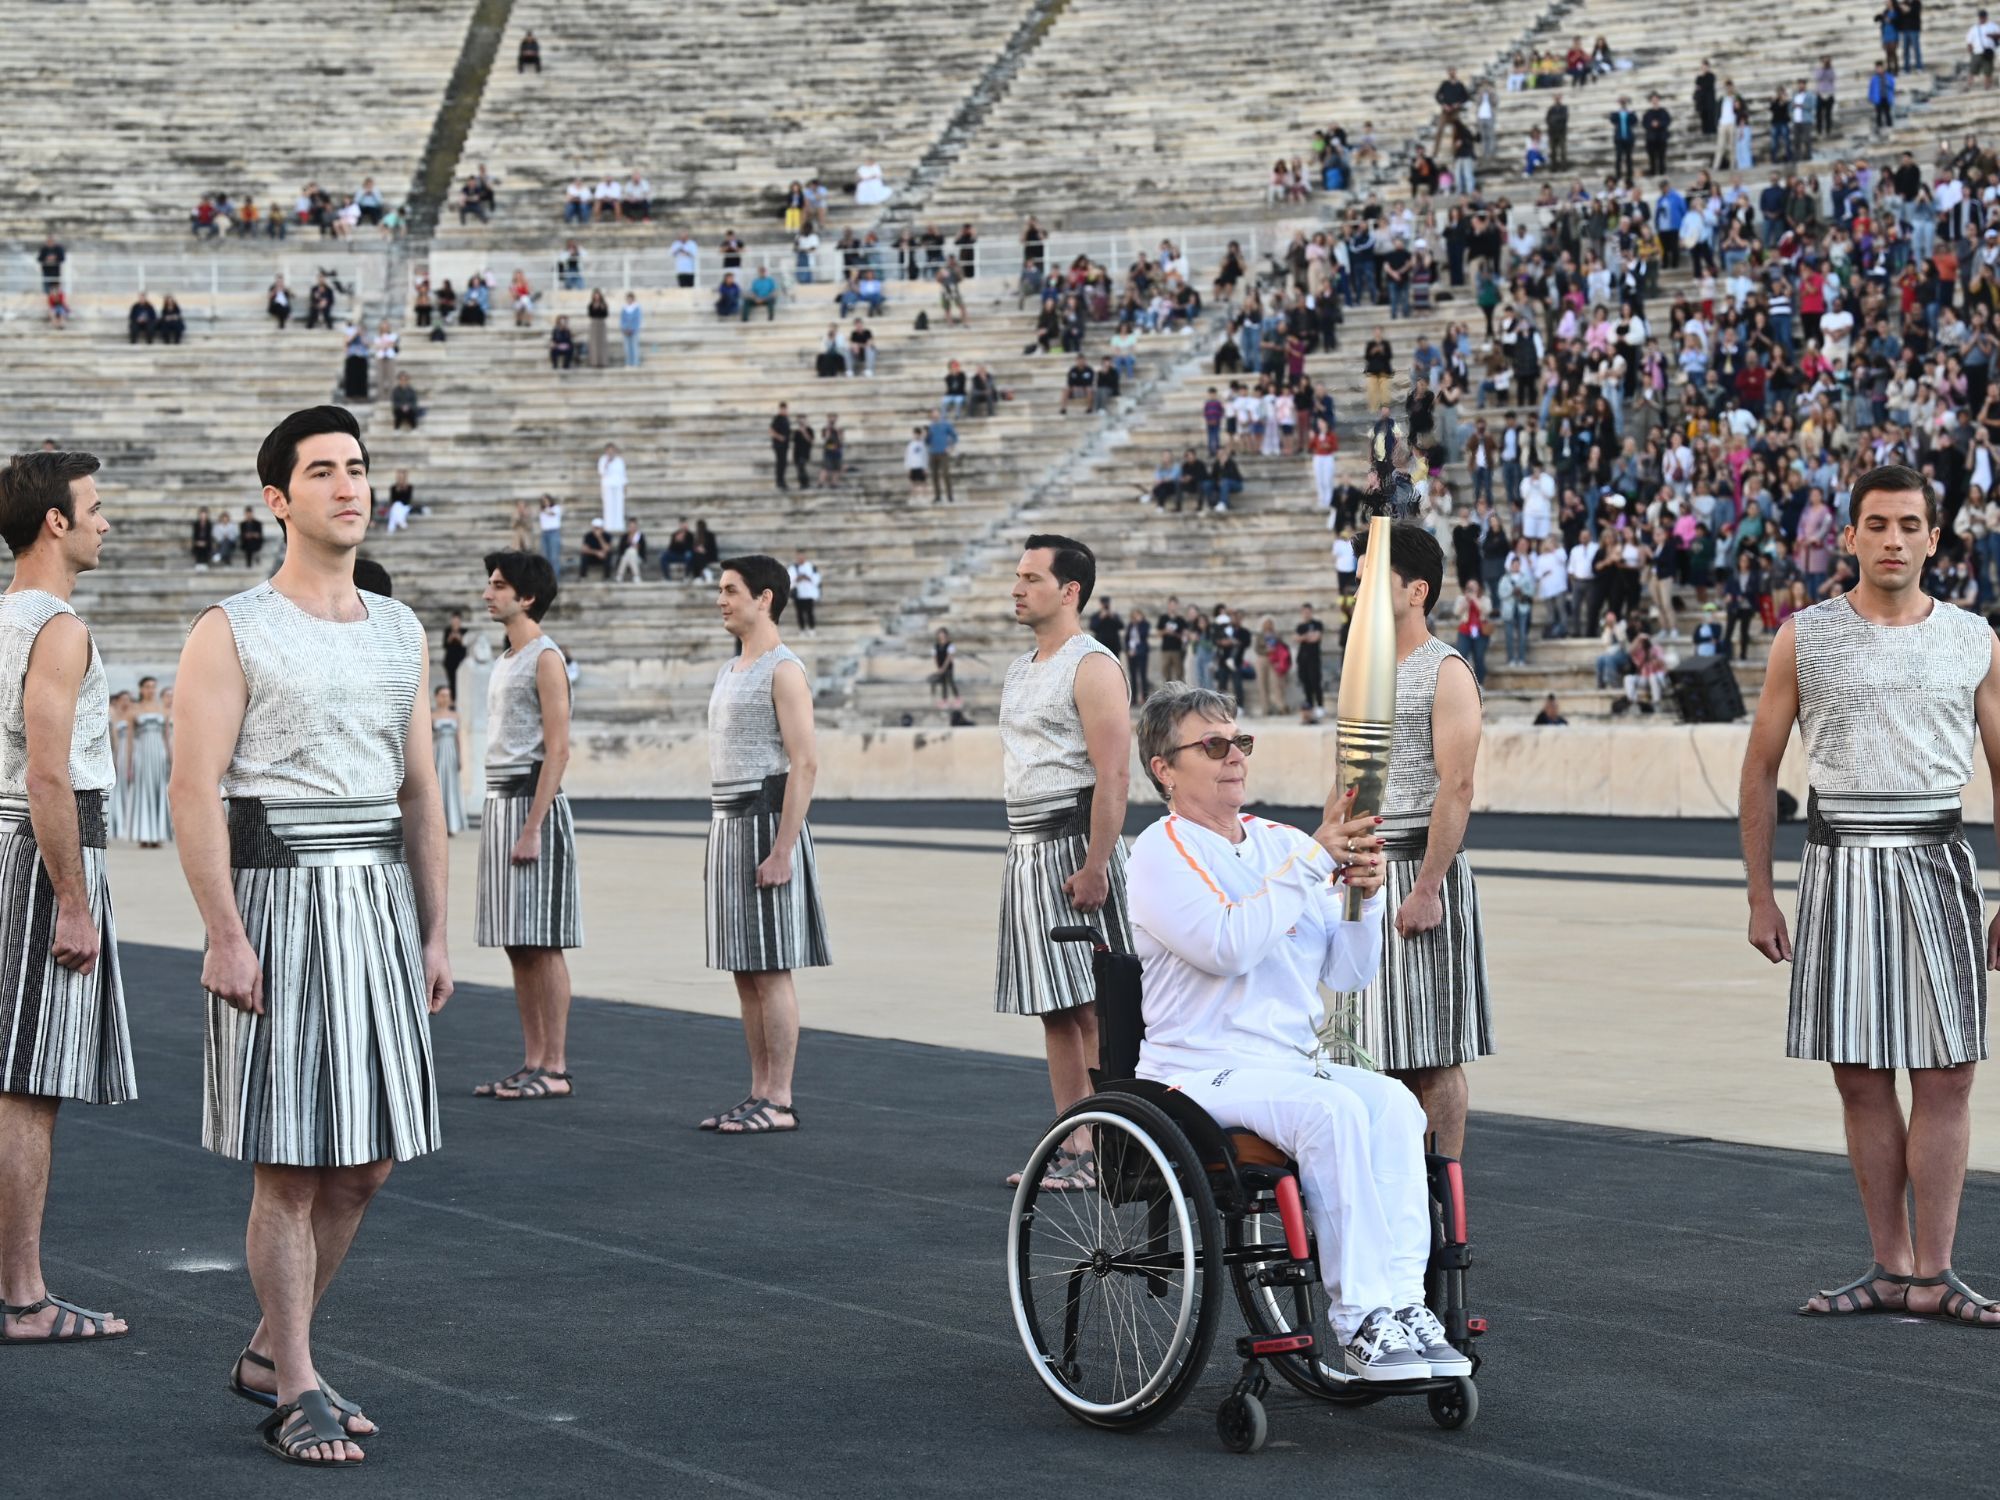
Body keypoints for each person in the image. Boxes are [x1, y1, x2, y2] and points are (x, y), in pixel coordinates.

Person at [167, 405, 450, 1467]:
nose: (347, 484)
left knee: (368, 1162)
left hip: (377, 903)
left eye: (358, 467)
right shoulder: (230, 626)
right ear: (278, 500)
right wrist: (223, 931)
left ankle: (266, 1348)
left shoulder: (400, 628)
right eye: (321, 470)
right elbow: (195, 791)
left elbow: (420, 791)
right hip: (278, 903)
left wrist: (432, 929)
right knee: (287, 1165)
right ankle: (295, 1382)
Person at [1128, 682, 1469, 1381]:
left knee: (1396, 1105)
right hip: (1197, 1071)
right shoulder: (1160, 852)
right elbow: (1225, 945)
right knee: (1333, 1110)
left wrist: (1363, 901)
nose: (1234, 757)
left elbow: (1344, 973)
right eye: (1213, 745)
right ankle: (1360, 1320)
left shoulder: (1280, 843)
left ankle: (1405, 1303)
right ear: (1164, 767)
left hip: (1283, 1063)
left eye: (1240, 742)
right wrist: (1316, 862)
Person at [1742, 465, 2000, 1327]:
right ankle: (1890, 1267)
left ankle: (1936, 1271)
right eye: (1878, 524)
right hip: (1840, 863)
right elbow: (1759, 771)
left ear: (1936, 538)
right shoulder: (1804, 637)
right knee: (1858, 1077)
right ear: (1848, 536)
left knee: (1948, 1073)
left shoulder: (1974, 638)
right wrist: (1760, 896)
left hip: (1937, 862)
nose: (1894, 540)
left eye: (1910, 525)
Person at [0, 450, 135, 1347]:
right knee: (28, 1084)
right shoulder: (56, 627)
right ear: (56, 521)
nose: (104, 521)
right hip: (38, 853)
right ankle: (23, 1296)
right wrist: (74, 903)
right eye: (94, 506)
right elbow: (50, 775)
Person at [1340, 526, 1494, 1158]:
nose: (1357, 591)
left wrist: (1429, 887)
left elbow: (1456, 787)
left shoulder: (1446, 670)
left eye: (1372, 578)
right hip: (1365, 871)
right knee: (1372, 1052)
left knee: (1433, 1053)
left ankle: (1443, 1202)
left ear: (1416, 591)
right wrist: (1332, 857)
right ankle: (1391, 1195)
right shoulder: (1361, 668)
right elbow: (1345, 777)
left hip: (1421, 871)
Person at [996, 537, 1132, 1190]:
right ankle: (1072, 1140)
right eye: (1017, 576)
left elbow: (1113, 775)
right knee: (1053, 1007)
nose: (1017, 588)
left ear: (1069, 590)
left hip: (1074, 847)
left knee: (1092, 1007)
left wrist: (1098, 862)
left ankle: (1113, 1142)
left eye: (1031, 577)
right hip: (1025, 849)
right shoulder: (1022, 666)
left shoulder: (1094, 666)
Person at [696, 557, 828, 1135]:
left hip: (765, 825)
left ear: (765, 598)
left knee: (771, 970)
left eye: (731, 591)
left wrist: (783, 849)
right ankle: (757, 1090)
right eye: (721, 590)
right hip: (728, 825)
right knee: (744, 971)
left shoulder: (784, 670)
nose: (721, 599)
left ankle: (780, 1097)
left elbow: (805, 763)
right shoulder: (731, 668)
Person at [472, 551, 583, 1101]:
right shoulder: (507, 656)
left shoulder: (544, 658)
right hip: (499, 803)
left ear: (527, 596)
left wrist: (534, 825)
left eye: (498, 586)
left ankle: (556, 1066)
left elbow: (558, 750)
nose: (488, 594)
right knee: (517, 943)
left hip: (531, 805)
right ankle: (533, 1058)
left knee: (543, 940)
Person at [125, 676, 171, 848]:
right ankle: (143, 834)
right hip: (143, 753)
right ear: (141, 689)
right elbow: (130, 739)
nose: (151, 690)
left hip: (158, 753)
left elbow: (166, 737)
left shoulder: (162, 709)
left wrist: (170, 758)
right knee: (143, 790)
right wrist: (129, 764)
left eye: (153, 686)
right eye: (148, 687)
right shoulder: (134, 709)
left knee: (158, 790)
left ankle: (157, 835)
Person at [432, 685, 465, 835]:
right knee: (439, 786)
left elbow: (458, 738)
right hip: (438, 752)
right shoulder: (432, 716)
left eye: (448, 695)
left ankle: (453, 824)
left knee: (451, 787)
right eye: (442, 695)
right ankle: (438, 825)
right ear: (436, 697)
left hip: (451, 753)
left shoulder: (455, 716)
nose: (445, 698)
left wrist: (460, 757)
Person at [1296, 602, 1326, 722]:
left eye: (1308, 611)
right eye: (1304, 612)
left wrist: (1304, 637)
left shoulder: (1317, 624)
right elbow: (1297, 638)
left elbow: (1316, 638)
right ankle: (1309, 707)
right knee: (1306, 683)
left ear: (1311, 612)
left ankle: (1320, 706)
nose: (1306, 614)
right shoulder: (1300, 626)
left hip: (1314, 658)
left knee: (1316, 682)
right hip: (1302, 659)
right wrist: (1307, 636)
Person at [926, 408, 958, 504]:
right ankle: (937, 496)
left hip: (943, 452)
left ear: (939, 415)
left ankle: (950, 496)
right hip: (933, 452)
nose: (935, 416)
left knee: (946, 474)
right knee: (934, 476)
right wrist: (926, 436)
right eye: (933, 414)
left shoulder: (946, 424)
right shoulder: (930, 426)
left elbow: (955, 436)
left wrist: (950, 446)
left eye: (936, 414)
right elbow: (927, 442)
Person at [789, 551, 820, 636]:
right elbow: (789, 580)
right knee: (799, 613)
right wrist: (797, 579)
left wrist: (807, 578)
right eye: (799, 557)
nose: (800, 559)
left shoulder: (811, 567)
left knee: (809, 612)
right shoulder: (793, 568)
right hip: (798, 594)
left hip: (809, 594)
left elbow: (817, 580)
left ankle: (811, 629)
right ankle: (802, 629)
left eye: (802, 557)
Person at [597, 443, 627, 532]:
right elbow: (601, 472)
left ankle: (618, 525)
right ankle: (608, 525)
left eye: (612, 450)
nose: (610, 452)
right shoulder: (603, 460)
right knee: (608, 505)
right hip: (607, 485)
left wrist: (625, 485)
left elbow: (623, 474)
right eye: (609, 450)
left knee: (619, 505)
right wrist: (607, 462)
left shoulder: (620, 460)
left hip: (618, 485)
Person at [442, 611, 467, 703]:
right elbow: (444, 645)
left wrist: (459, 638)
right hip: (450, 661)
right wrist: (450, 638)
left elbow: (465, 645)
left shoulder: (464, 631)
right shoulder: (447, 631)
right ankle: (452, 700)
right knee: (451, 681)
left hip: (460, 660)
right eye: (454, 621)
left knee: (461, 681)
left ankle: (461, 699)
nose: (455, 623)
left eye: (457, 621)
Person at [619, 293, 643, 366]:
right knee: (627, 348)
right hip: (626, 331)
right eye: (628, 298)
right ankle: (628, 362)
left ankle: (635, 362)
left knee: (634, 347)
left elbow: (637, 320)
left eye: (630, 298)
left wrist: (632, 329)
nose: (629, 300)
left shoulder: (636, 308)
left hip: (634, 331)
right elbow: (622, 320)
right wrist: (625, 328)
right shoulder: (624, 308)